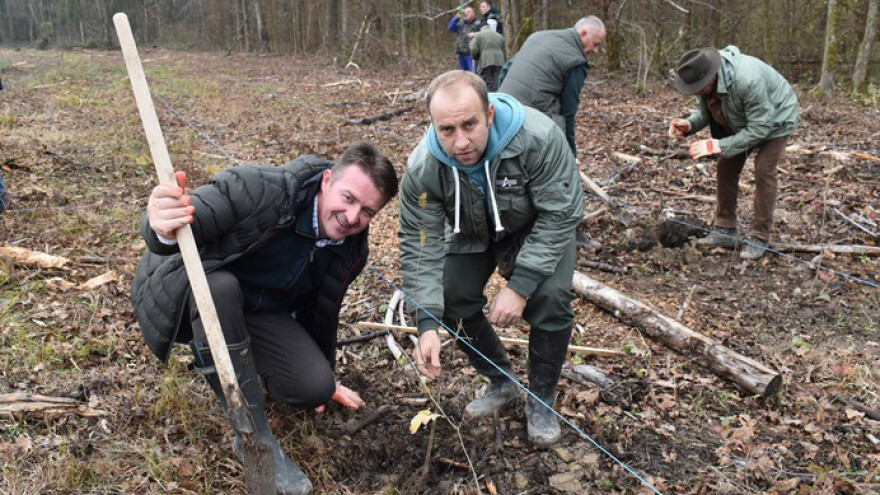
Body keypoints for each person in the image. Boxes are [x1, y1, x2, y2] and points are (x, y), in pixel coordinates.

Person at [131, 142, 398, 495]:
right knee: (220, 289)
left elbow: (319, 310)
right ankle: (253, 437)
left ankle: (241, 358)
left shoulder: (351, 249)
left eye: (367, 211)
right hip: (189, 289)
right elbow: (182, 226)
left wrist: (323, 372)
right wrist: (160, 223)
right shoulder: (258, 189)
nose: (352, 217)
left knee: (313, 387)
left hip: (261, 309)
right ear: (327, 180)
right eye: (348, 198)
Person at [399, 71, 583, 448]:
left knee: (551, 298)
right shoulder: (423, 169)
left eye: (470, 124)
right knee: (451, 295)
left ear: (489, 114)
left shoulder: (539, 138)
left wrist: (520, 287)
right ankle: (501, 380)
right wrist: (427, 323)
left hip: (536, 225)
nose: (461, 142)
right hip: (472, 229)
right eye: (447, 130)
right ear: (433, 125)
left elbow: (560, 213)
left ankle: (541, 399)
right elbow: (421, 244)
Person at [668, 46, 799, 260]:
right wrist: (689, 124)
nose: (696, 92)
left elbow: (760, 127)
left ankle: (760, 237)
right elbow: (705, 111)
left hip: (777, 118)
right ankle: (725, 229)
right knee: (726, 166)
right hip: (743, 119)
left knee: (764, 170)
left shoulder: (747, 80)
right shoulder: (703, 77)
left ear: (711, 77)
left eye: (698, 88)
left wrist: (720, 145)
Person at [498, 15, 605, 249]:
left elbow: (506, 70)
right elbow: (568, 112)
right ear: (583, 34)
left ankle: (526, 223)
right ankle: (570, 231)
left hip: (504, 111)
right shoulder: (576, 61)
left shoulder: (538, 36)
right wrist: (571, 155)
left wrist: (504, 103)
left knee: (521, 173)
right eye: (596, 44)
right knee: (562, 172)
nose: (596, 50)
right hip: (532, 118)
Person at [469, 24, 507, 92]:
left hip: (485, 62)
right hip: (500, 62)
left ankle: (489, 96)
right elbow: (504, 51)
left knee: (487, 83)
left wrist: (475, 57)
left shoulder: (478, 35)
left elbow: (473, 49)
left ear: (481, 29)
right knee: (497, 82)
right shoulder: (499, 36)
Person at [448, 6, 480, 72]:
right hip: (461, 53)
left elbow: (483, 34)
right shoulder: (460, 23)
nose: (465, 13)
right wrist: (456, 18)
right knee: (463, 74)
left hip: (472, 55)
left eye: (468, 12)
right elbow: (450, 28)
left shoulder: (478, 23)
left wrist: (474, 34)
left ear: (473, 14)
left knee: (473, 74)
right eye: (465, 12)